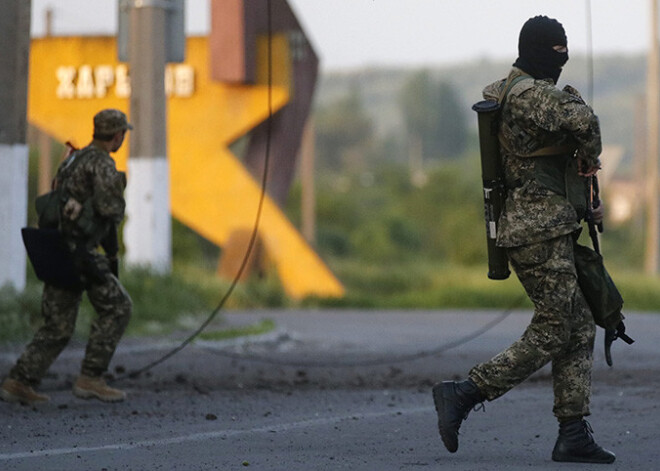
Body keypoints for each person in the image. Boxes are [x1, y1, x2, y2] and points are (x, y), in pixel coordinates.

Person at [432, 16, 616, 464]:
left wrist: (582, 191)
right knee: (555, 327)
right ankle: (465, 392)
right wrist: (590, 163)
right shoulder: (530, 94)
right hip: (536, 229)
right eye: (557, 52)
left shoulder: (517, 91)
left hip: (548, 224)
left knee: (577, 324)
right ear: (539, 52)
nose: (563, 61)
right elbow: (584, 121)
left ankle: (573, 431)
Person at [1, 109, 133, 405]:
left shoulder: (73, 159)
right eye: (123, 133)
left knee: (58, 325)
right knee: (118, 308)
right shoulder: (103, 165)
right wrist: (111, 254)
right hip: (82, 253)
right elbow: (110, 213)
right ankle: (91, 378)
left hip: (58, 248)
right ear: (117, 135)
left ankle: (19, 381)